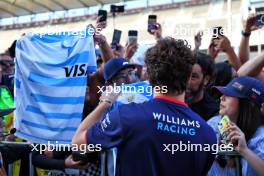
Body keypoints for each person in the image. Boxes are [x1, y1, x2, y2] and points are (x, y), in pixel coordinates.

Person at [72, 37, 216, 176]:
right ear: (187, 77)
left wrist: (105, 103)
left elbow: (78, 143)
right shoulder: (207, 134)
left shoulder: (126, 116)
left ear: (150, 77)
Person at [207, 76, 264, 176]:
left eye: (229, 94)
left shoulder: (260, 136)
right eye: (223, 93)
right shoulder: (214, 123)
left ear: (247, 104)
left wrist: (244, 151)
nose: (221, 97)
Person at [186, 52, 219, 120]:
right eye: (184, 74)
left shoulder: (214, 113)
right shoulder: (170, 98)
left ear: (206, 79)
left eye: (193, 76)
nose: (187, 81)